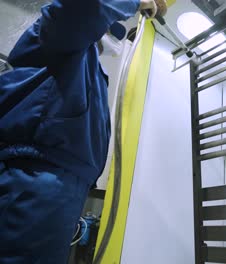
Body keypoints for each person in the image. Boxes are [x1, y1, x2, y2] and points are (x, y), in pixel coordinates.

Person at [0, 0, 166, 263]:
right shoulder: (55, 32)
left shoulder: (87, 67)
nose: (117, 39)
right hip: (37, 176)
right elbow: (86, 6)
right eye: (112, 30)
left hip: (62, 187)